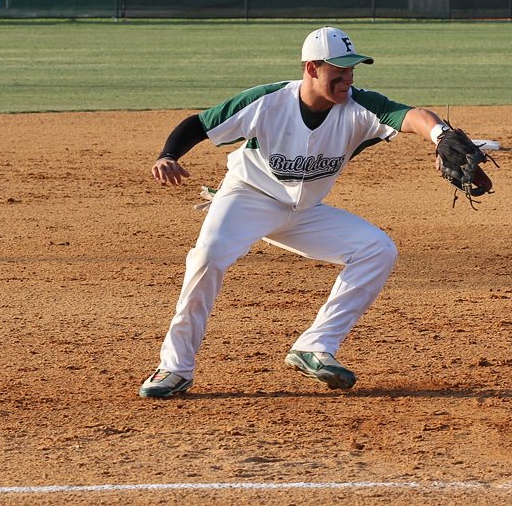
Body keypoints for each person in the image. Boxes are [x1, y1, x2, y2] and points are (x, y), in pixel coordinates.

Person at [139, 26, 458, 399]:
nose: (348, 78)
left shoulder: (358, 107)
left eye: (352, 69)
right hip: (247, 197)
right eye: (338, 70)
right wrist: (168, 155)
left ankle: (314, 347)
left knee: (377, 249)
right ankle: (174, 369)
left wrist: (440, 135)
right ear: (311, 69)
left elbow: (411, 115)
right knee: (206, 258)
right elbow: (200, 123)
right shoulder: (268, 101)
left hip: (305, 211)